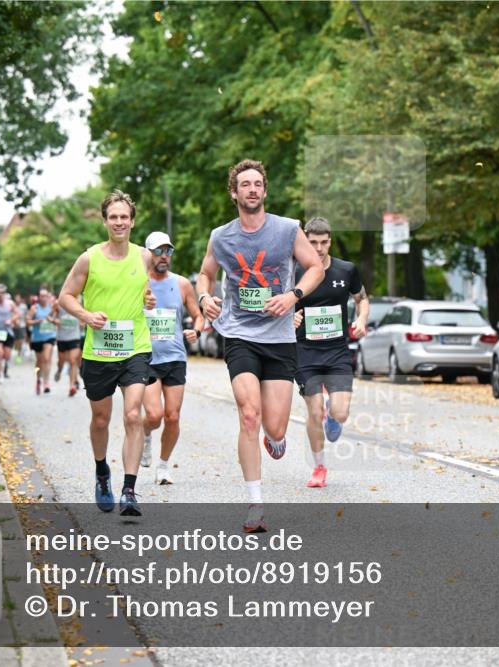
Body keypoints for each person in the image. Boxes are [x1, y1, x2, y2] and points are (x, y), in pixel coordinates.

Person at [196, 159, 324, 533]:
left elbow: (314, 266)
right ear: (234, 193)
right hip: (239, 334)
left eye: (257, 184)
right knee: (248, 414)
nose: (252, 189)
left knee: (276, 426)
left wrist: (293, 295)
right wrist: (205, 300)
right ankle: (256, 503)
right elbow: (206, 274)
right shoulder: (221, 236)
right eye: (244, 185)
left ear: (265, 191)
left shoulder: (286, 229)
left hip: (280, 337)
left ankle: (276, 438)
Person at [58, 190, 157, 517]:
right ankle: (102, 471)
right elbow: (66, 297)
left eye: (124, 217)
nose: (119, 222)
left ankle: (129, 490)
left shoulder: (144, 256)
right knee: (101, 419)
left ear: (132, 221)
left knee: (132, 415)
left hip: (135, 347)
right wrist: (86, 316)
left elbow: (143, 290)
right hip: (99, 351)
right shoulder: (89, 258)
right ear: (105, 221)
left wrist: (148, 299)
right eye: (113, 217)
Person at [292, 217, 369, 488]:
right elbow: (280, 304)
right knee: (312, 411)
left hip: (337, 352)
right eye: (313, 242)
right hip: (304, 351)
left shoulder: (346, 270)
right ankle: (320, 467)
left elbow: (362, 299)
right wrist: (290, 318)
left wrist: (360, 320)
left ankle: (332, 414)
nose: (319, 248)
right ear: (305, 242)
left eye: (324, 242)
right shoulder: (294, 272)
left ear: (330, 241)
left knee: (341, 413)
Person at [141, 231, 204, 484]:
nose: (164, 256)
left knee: (173, 416)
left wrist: (196, 330)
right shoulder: (138, 282)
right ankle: (146, 433)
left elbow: (198, 315)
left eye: (168, 251)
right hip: (146, 357)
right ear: (148, 254)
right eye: (158, 251)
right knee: (154, 415)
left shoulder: (181, 284)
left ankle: (163, 466)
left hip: (175, 356)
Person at [27, 288, 57, 394]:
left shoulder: (52, 307)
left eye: (46, 296)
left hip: (50, 336)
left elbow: (58, 317)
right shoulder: (34, 308)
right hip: (37, 338)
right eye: (42, 296)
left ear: (48, 297)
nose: (44, 298)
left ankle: (46, 383)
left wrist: (54, 321)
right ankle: (38, 379)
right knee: (39, 362)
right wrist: (36, 321)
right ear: (38, 297)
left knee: (46, 358)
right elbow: (27, 321)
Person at [52, 299, 83, 397]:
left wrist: (83, 323)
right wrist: (55, 320)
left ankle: (72, 386)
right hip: (62, 338)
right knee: (61, 361)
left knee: (72, 360)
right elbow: (49, 316)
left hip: (75, 337)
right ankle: (59, 369)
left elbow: (83, 320)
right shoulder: (58, 303)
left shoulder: (79, 304)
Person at [13, 294, 29, 364]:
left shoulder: (24, 307)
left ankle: (18, 355)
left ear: (20, 299)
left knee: (20, 341)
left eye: (18, 299)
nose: (17, 300)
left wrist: (26, 325)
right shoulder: (12, 306)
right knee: (15, 341)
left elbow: (26, 315)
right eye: (16, 299)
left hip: (22, 325)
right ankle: (17, 349)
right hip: (13, 326)